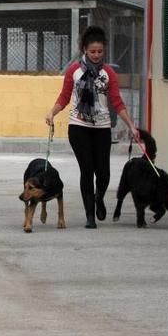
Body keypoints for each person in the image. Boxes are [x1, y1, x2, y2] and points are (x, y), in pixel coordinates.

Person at [45, 25, 139, 229]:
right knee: (87, 170)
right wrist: (52, 113)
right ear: (85, 50)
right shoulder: (74, 71)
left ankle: (99, 198)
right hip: (78, 127)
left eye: (100, 51)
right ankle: (90, 215)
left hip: (102, 127)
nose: (96, 55)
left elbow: (116, 101)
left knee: (103, 172)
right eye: (92, 51)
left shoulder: (109, 74)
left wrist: (131, 125)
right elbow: (64, 97)